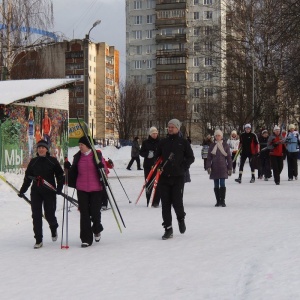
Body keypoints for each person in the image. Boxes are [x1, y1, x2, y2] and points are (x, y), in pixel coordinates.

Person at [18, 140, 64, 249]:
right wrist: (22, 190)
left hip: (49, 192)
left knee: (49, 215)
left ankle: (53, 227)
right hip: (36, 193)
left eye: (43, 147)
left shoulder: (52, 161)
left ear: (47, 149)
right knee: (36, 215)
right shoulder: (33, 161)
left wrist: (59, 188)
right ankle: (38, 239)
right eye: (39, 148)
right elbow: (28, 177)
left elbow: (60, 175)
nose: (41, 149)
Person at [155, 119, 195, 240]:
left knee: (177, 202)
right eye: (169, 127)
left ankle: (181, 218)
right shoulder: (163, 142)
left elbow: (191, 157)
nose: (170, 129)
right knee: (165, 204)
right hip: (164, 178)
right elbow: (157, 157)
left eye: (172, 127)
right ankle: (168, 228)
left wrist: (183, 167)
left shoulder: (183, 142)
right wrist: (159, 166)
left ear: (177, 128)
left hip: (178, 177)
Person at [67, 136, 108, 248]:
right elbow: (73, 171)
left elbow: (105, 170)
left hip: (96, 188)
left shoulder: (97, 155)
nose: (80, 147)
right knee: (84, 214)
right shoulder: (77, 157)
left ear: (88, 146)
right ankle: (86, 238)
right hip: (82, 188)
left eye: (82, 145)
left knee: (95, 212)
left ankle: (96, 229)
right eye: (79, 145)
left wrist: (102, 167)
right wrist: (68, 169)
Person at [206, 129, 232, 207]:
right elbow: (209, 158)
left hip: (223, 167)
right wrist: (208, 167)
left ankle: (222, 200)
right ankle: (218, 201)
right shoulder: (212, 145)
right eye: (216, 135)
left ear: (221, 136)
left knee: (222, 183)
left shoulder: (225, 145)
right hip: (214, 168)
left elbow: (229, 158)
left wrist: (230, 168)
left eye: (219, 135)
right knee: (216, 184)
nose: (217, 137)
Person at [139, 126, 161, 207]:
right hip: (148, 165)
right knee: (148, 183)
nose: (155, 135)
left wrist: (157, 156)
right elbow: (141, 152)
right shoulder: (145, 142)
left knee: (157, 183)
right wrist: (147, 154)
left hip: (157, 165)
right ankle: (149, 200)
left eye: (156, 133)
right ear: (150, 134)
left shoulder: (160, 142)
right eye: (153, 133)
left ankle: (156, 201)